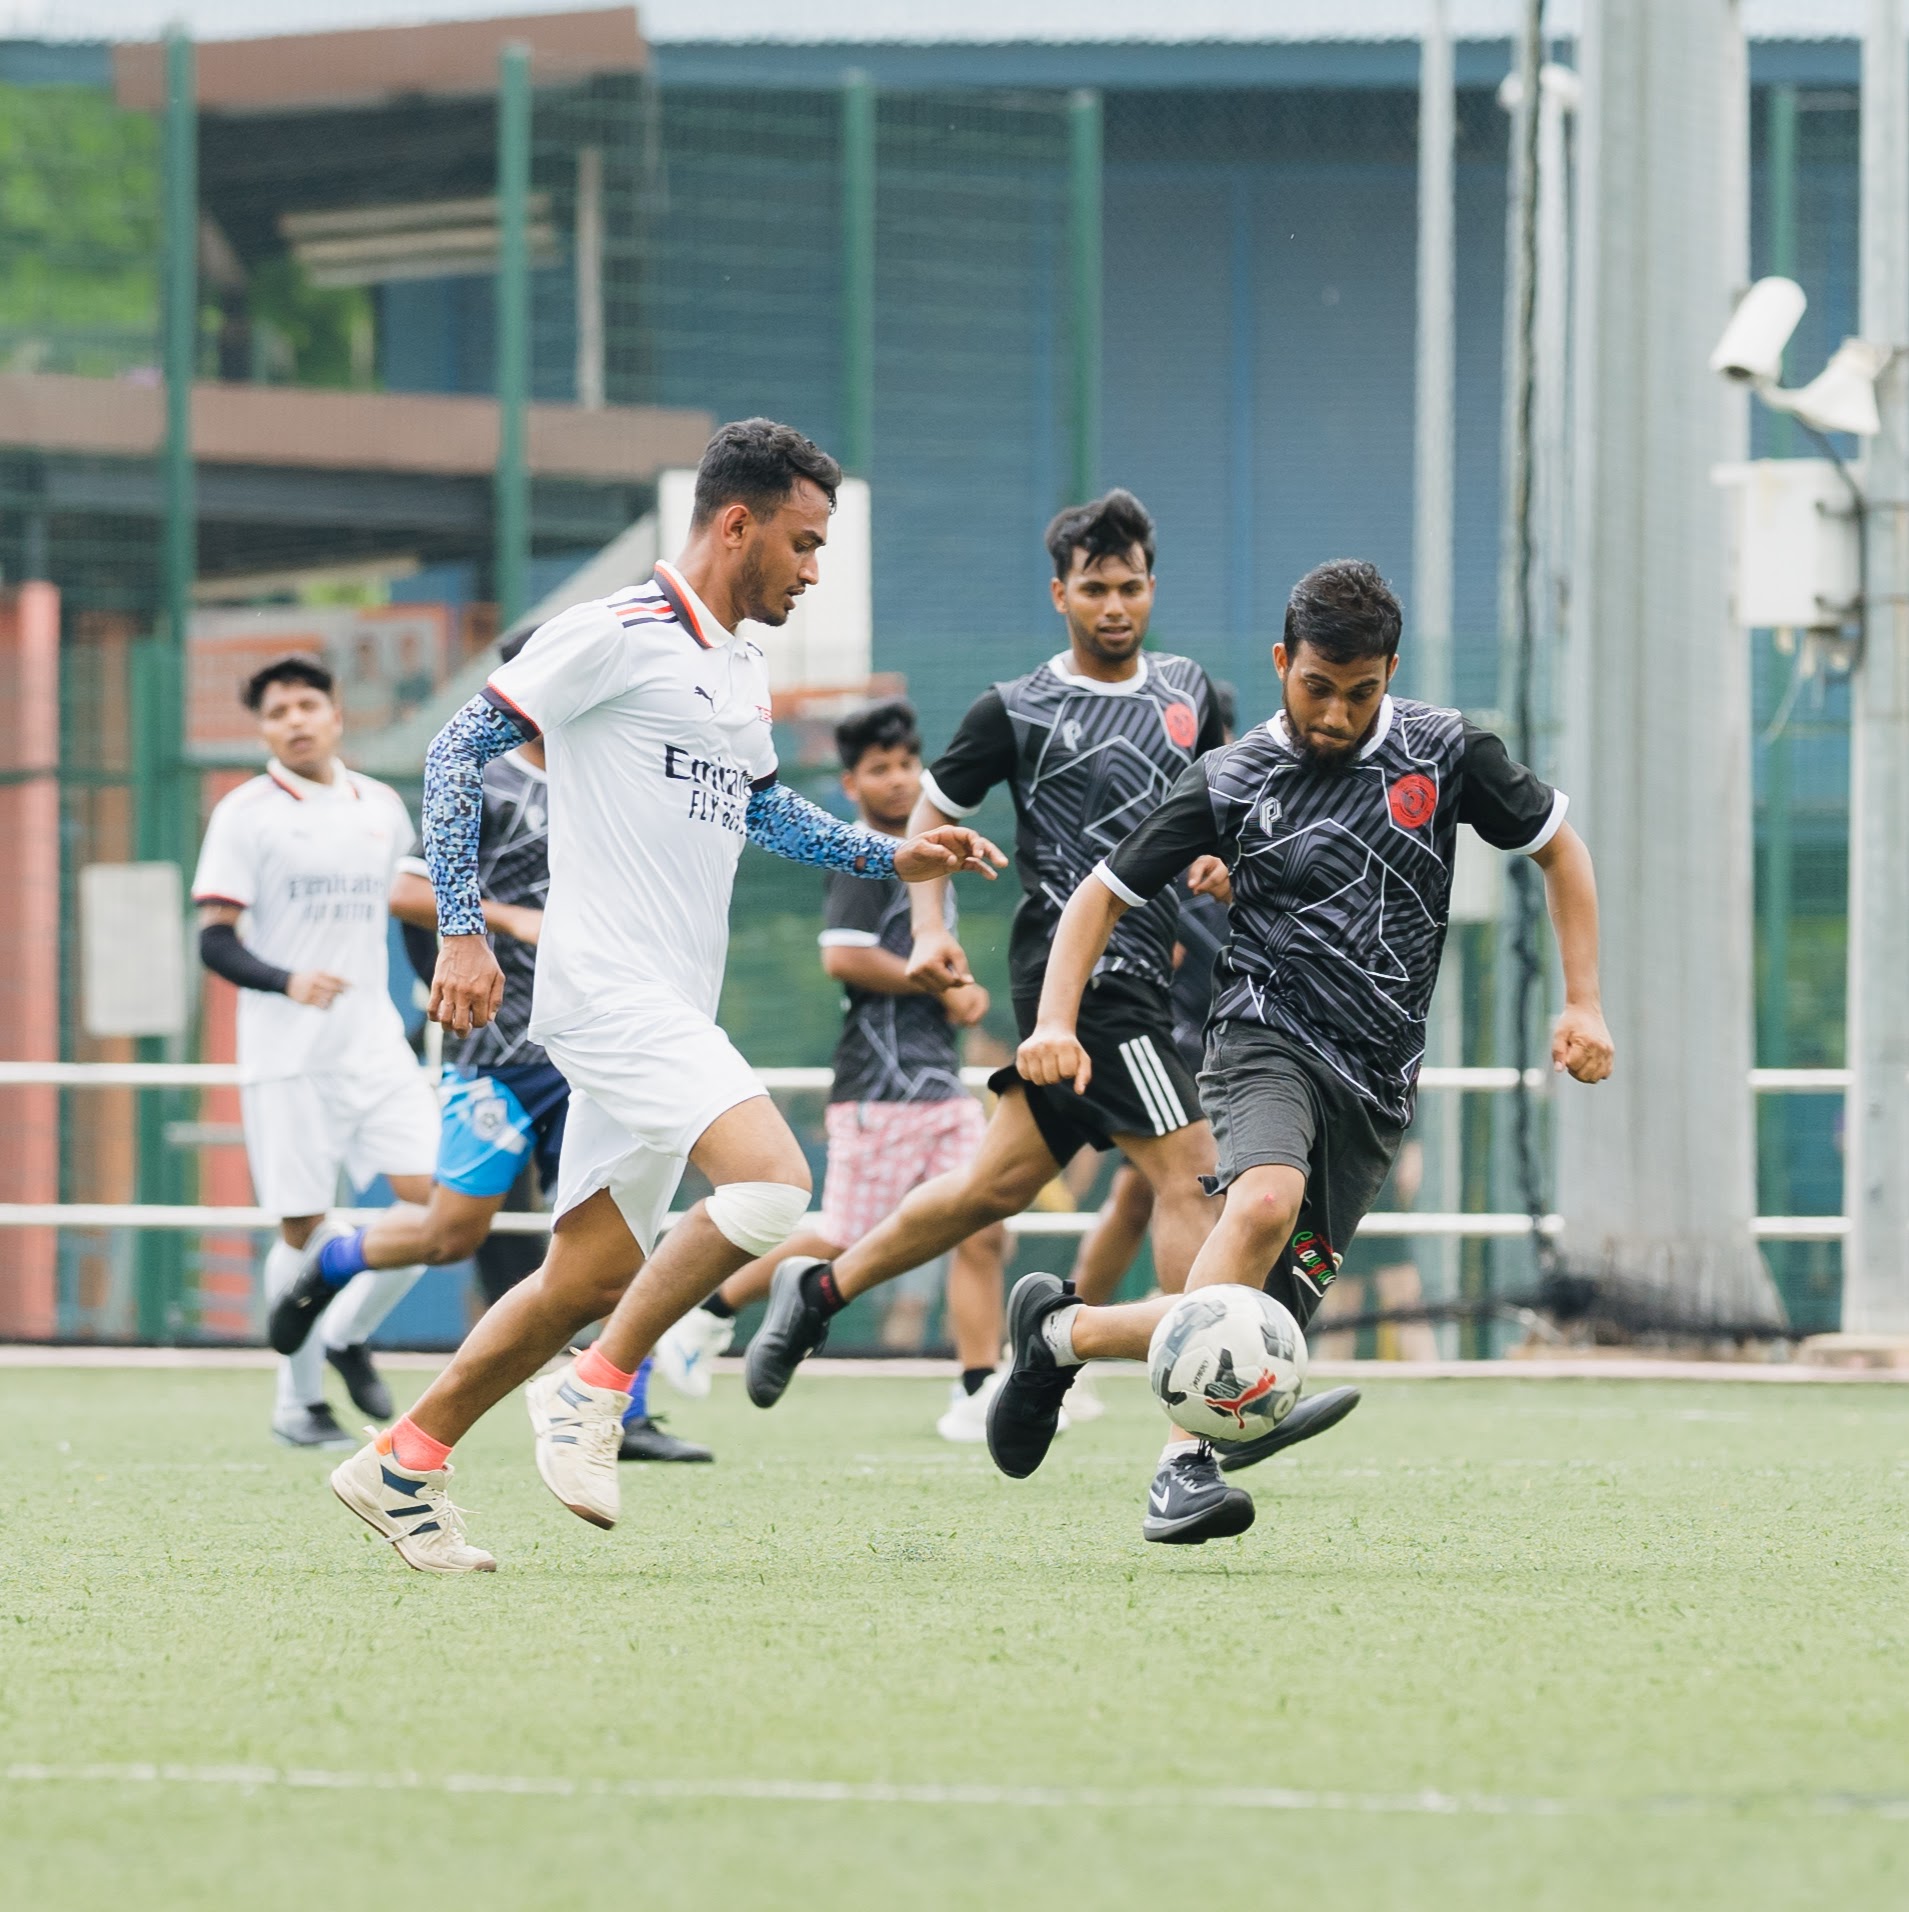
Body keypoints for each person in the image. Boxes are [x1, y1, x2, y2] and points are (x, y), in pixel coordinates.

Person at [326, 418, 1003, 1573]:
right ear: (735, 522)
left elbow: (761, 809)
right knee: (777, 1183)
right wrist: (462, 929)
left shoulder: (740, 666)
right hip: (603, 987)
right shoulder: (612, 631)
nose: (814, 568)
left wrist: (896, 857)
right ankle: (596, 1388)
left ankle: (403, 1460)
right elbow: (451, 753)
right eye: (803, 541)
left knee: (582, 1273)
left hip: (674, 1001)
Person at [993, 558, 1614, 1543]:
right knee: (1264, 1202)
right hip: (1260, 1037)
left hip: (1374, 1083)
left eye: (1360, 692)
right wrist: (1054, 1021)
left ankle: (1058, 1332)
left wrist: (1584, 1001)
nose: (1335, 713)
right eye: (1316, 687)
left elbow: (1558, 847)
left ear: (1389, 672)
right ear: (1283, 663)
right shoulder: (1232, 776)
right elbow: (1102, 892)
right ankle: (1179, 1467)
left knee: (1261, 1316)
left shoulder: (1442, 750)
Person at [743, 489, 1241, 1413]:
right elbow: (931, 820)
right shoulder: (1017, 709)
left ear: (1151, 588)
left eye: (1129, 587)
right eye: (1094, 588)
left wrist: (1217, 860)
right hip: (1086, 977)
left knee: (986, 1189)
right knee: (1192, 1178)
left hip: (1136, 977)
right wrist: (931, 933)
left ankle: (818, 1291)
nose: (1114, 606)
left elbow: (1214, 807)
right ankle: (1201, 1418)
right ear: (1060, 595)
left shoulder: (1190, 695)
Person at [270, 727, 709, 1464]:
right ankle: (336, 1261)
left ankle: (625, 1413)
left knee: (620, 1236)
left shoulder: (613, 780)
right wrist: (507, 923)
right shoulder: (486, 783)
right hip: (497, 1053)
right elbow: (407, 892)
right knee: (451, 1234)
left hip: (596, 1050)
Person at [655, 698, 1010, 1441]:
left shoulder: (930, 858)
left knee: (980, 1224)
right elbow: (841, 956)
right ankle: (705, 1318)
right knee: (849, 1236)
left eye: (908, 765)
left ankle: (978, 1389)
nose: (898, 781)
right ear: (848, 784)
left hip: (936, 1083)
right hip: (878, 1089)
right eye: (878, 769)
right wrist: (941, 983)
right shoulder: (860, 853)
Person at [192, 657, 440, 1449]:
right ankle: (297, 1406)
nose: (294, 720)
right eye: (277, 712)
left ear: (337, 714)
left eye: (307, 705)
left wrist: (439, 986)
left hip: (374, 1048)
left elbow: (410, 913)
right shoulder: (246, 813)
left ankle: (345, 1333)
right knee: (302, 1227)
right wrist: (285, 978)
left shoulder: (381, 806)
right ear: (262, 729)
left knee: (436, 1210)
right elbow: (214, 942)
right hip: (286, 1058)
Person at [1066, 680, 1239, 1314]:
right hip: (1169, 1045)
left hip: (1235, 1048)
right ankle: (1202, 1356)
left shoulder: (1252, 817)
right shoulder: (1155, 831)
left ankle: (1052, 1348)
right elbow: (1115, 918)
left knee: (1149, 1195)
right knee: (1192, 1182)